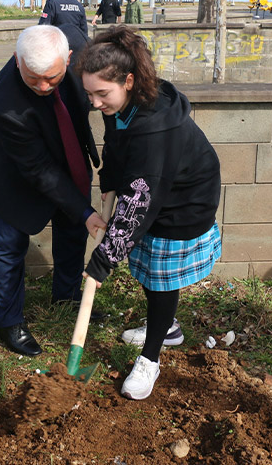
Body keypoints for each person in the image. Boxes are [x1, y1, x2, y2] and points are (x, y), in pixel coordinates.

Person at [76, 26, 221, 400]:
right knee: (147, 267)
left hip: (185, 201)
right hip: (155, 189)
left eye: (102, 94)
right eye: (89, 94)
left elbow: (138, 206)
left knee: (160, 279)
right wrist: (110, 178)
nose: (95, 103)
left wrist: (103, 261)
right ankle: (166, 325)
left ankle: (151, 358)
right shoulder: (122, 104)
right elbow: (116, 143)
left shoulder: (154, 129)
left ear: (128, 81)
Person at [0, 25, 104, 357]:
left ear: (69, 59)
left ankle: (67, 295)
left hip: (68, 154)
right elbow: (39, 169)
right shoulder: (7, 102)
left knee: (73, 228)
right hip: (16, 171)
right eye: (33, 79)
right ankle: (7, 320)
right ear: (17, 60)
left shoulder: (82, 56)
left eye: (52, 77)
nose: (44, 86)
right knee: (8, 243)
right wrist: (85, 211)